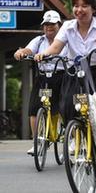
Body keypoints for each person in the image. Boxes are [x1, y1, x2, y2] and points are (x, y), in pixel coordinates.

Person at [34, 0, 96, 176]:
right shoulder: (68, 27)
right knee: (68, 108)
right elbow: (56, 47)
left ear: (93, 9)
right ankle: (77, 138)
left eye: (84, 6)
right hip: (77, 73)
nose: (79, 9)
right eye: (76, 6)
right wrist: (44, 54)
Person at [13, 10, 68, 155]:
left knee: (65, 106)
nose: (49, 27)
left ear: (59, 25)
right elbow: (28, 49)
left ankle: (70, 138)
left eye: (52, 24)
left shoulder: (65, 40)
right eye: (46, 24)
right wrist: (21, 53)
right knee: (34, 108)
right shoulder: (40, 40)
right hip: (43, 77)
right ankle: (37, 142)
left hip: (61, 77)